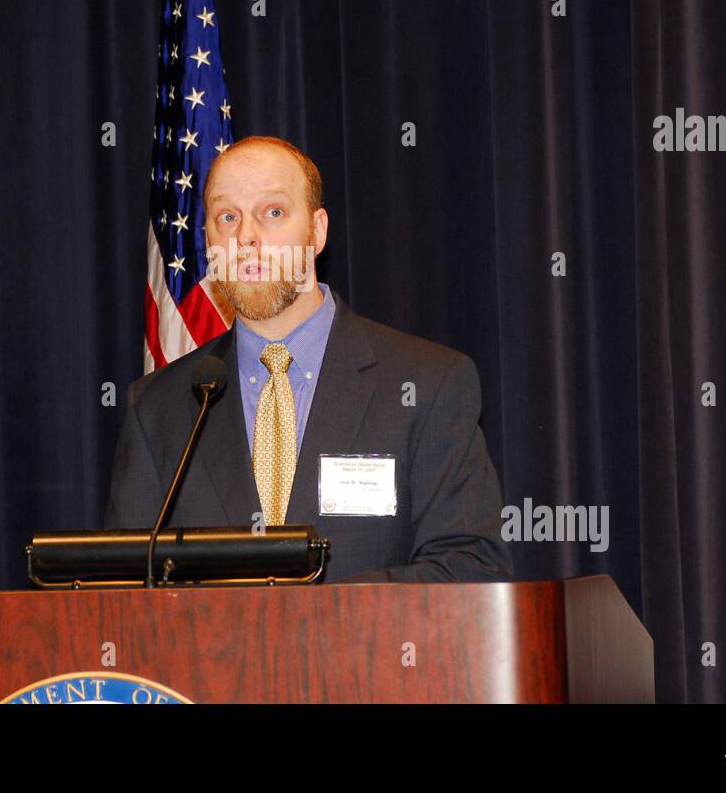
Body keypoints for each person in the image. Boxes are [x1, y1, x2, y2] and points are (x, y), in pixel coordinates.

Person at [105, 135, 513, 583]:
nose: (246, 238)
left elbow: (470, 567)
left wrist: (315, 621)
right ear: (208, 242)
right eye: (227, 217)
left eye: (273, 213)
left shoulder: (428, 385)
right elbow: (125, 593)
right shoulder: (158, 408)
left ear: (317, 231)